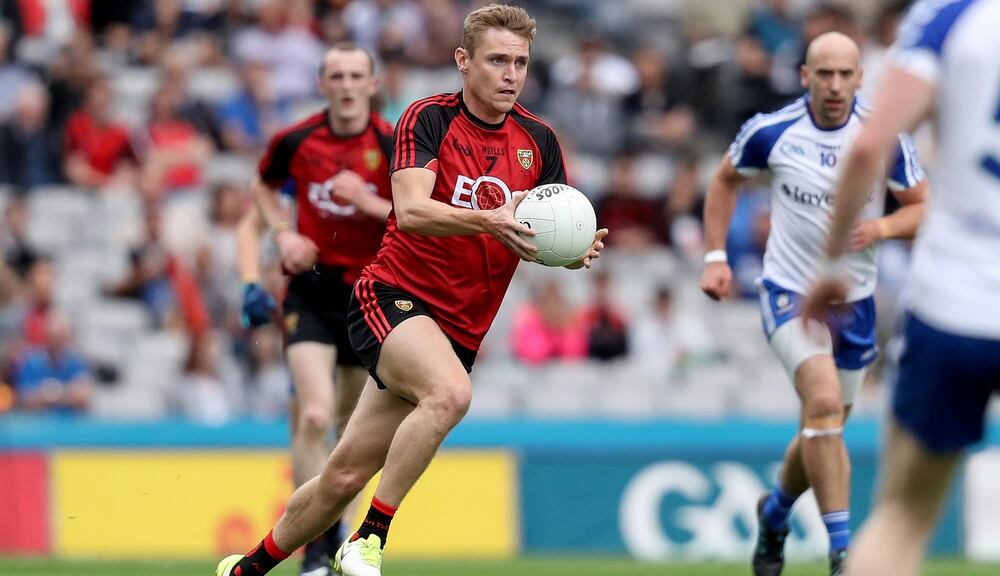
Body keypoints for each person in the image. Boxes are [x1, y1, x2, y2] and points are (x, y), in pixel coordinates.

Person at [216, 5, 607, 576]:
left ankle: (245, 569)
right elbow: (413, 211)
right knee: (450, 396)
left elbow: (546, 227)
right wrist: (489, 219)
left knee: (342, 476)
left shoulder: (539, 141)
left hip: (459, 328)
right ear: (463, 60)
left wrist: (573, 252)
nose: (511, 74)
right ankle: (369, 538)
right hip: (392, 297)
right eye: (497, 60)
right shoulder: (427, 118)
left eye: (520, 63)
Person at [801, 2, 1000, 575]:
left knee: (902, 516)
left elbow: (870, 147)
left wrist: (829, 266)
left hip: (952, 303)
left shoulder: (951, 18)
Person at [699, 32, 928, 576]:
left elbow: (922, 206)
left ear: (860, 78)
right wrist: (714, 255)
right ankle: (843, 551)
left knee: (823, 426)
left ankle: (775, 512)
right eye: (824, 74)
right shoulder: (772, 132)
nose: (834, 85)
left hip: (856, 304)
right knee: (823, 404)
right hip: (789, 293)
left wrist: (883, 225)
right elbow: (723, 182)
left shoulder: (883, 138)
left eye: (845, 74)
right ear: (805, 77)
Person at [234, 42, 394, 576]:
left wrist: (365, 201)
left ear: (373, 84)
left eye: (356, 75)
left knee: (348, 430)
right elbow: (261, 188)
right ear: (322, 84)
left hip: (370, 295)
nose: (346, 85)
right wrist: (282, 234)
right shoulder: (296, 140)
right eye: (336, 76)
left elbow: (416, 214)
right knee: (316, 412)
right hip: (312, 288)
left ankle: (331, 535)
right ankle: (320, 545)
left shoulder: (396, 144)